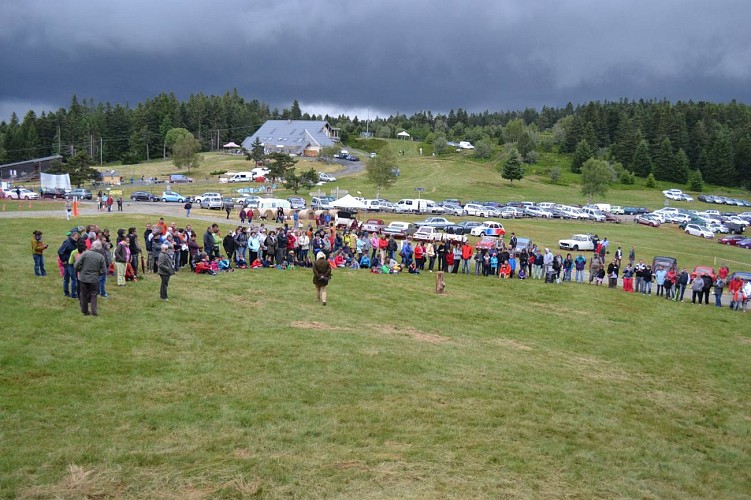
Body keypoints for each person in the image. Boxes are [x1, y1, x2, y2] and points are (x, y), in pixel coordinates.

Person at [74, 240, 106, 315]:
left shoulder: (85, 254)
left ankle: (84, 310)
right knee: (94, 294)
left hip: (83, 278)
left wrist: (80, 271)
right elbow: (104, 270)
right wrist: (98, 274)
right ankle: (94, 311)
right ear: (100, 248)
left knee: (83, 294)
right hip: (94, 278)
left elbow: (76, 265)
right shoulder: (101, 257)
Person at [58, 230, 80, 298]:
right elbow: (60, 251)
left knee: (67, 279)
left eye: (77, 238)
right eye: (75, 238)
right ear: (72, 236)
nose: (76, 240)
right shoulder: (67, 242)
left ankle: (67, 292)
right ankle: (72, 294)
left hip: (71, 262)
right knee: (73, 279)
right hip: (68, 263)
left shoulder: (74, 243)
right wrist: (63, 260)